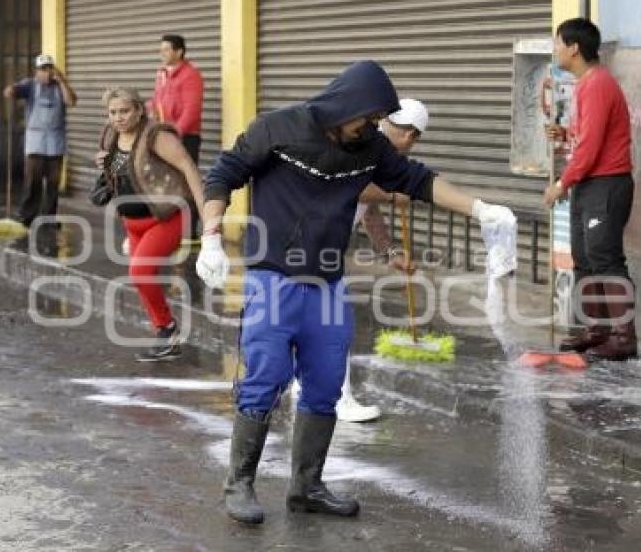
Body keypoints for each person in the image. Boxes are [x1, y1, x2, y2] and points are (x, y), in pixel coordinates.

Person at [196, 60, 514, 525]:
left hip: (326, 282)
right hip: (272, 276)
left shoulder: (370, 146)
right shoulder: (279, 127)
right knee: (266, 375)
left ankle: (306, 487)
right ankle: (239, 483)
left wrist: (481, 209)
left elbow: (418, 180)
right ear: (347, 104)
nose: (371, 129)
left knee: (325, 383)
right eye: (367, 119)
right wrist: (210, 234)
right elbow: (224, 174)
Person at [542, 18, 636, 361]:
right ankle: (596, 331)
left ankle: (623, 337)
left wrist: (560, 184)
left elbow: (592, 148)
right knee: (584, 258)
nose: (555, 50)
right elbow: (586, 140)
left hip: (607, 184)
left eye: (557, 43)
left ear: (573, 48)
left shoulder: (597, 84)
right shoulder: (585, 84)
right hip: (588, 184)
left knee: (605, 259)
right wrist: (565, 136)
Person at [334, 98, 429, 423]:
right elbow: (349, 186)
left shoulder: (373, 150)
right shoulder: (368, 148)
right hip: (309, 241)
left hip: (317, 242)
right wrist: (392, 194)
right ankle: (339, 397)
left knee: (311, 317)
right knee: (336, 321)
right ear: (409, 135)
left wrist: (389, 251)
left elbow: (368, 210)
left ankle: (302, 383)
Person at [92, 88, 204, 362]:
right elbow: (121, 172)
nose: (118, 118)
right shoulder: (111, 135)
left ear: (140, 110)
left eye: (125, 111)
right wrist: (103, 167)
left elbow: (189, 167)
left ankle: (167, 329)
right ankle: (165, 333)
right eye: (113, 112)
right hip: (133, 222)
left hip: (167, 217)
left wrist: (209, 217)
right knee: (141, 276)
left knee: (140, 270)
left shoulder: (156, 136)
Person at [3, 54, 77, 227]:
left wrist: (62, 81)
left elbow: (71, 101)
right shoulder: (30, 85)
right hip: (35, 144)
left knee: (53, 184)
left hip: (55, 144)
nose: (46, 73)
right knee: (33, 182)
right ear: (36, 71)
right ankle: (27, 215)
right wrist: (11, 90)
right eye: (43, 69)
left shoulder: (60, 86)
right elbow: (13, 91)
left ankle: (49, 218)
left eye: (49, 68)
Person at [149, 34, 204, 244]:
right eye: (160, 49)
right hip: (165, 136)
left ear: (179, 52)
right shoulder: (162, 73)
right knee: (168, 184)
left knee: (187, 184)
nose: (161, 53)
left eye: (166, 50)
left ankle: (189, 233)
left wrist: (175, 135)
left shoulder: (191, 75)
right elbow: (156, 101)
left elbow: (192, 110)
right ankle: (171, 230)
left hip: (185, 138)